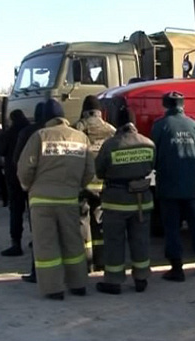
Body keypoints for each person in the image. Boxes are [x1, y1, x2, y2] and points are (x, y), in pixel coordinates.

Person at [17, 99, 95, 300]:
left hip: (41, 201)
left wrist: (28, 187)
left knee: (46, 245)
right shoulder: (80, 138)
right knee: (73, 242)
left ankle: (54, 289)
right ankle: (78, 284)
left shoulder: (39, 136)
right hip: (69, 199)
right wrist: (77, 186)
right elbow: (89, 171)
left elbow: (25, 168)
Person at [95, 108, 155, 295]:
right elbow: (151, 167)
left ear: (118, 123)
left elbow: (99, 172)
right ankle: (141, 278)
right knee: (141, 240)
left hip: (116, 202)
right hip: (142, 201)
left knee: (114, 241)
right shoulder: (149, 144)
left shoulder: (110, 145)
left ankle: (114, 281)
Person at [151, 91, 195, 282]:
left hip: (169, 186)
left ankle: (177, 268)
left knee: (172, 226)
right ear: (183, 105)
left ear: (165, 106)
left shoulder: (160, 126)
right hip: (191, 185)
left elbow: (153, 156)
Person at [73, 95, 116, 272]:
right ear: (99, 111)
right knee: (99, 221)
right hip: (104, 185)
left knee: (83, 222)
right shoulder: (111, 130)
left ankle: (87, 262)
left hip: (83, 184)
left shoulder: (78, 129)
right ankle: (102, 260)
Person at [14, 102, 45, 283]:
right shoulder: (69, 133)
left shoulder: (28, 133)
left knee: (39, 233)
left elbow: (20, 161)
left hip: (37, 190)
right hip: (67, 191)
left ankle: (36, 271)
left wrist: (25, 185)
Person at [0, 109, 30, 257]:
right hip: (32, 175)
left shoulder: (9, 133)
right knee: (34, 210)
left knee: (16, 210)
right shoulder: (32, 130)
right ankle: (37, 239)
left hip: (13, 176)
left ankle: (16, 244)